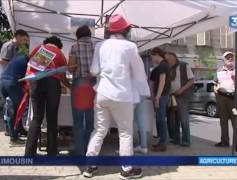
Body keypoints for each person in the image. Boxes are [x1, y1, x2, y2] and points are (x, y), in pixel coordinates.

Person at [83, 14, 150, 179]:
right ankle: (127, 170)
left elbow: (93, 71)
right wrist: (145, 92)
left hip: (102, 94)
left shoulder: (100, 45)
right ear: (126, 30)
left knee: (98, 131)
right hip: (122, 95)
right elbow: (140, 73)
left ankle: (89, 167)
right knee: (125, 133)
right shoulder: (130, 47)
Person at [24, 36, 69, 156]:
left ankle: (29, 153)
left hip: (36, 82)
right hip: (52, 85)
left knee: (37, 118)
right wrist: (69, 86)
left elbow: (31, 68)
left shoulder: (38, 49)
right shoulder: (59, 53)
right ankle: (52, 152)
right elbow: (63, 76)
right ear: (58, 45)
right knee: (52, 119)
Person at [214, 51, 237, 152]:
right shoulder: (218, 71)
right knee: (223, 121)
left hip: (233, 99)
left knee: (235, 122)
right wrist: (215, 88)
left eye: (231, 57)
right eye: (227, 57)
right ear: (223, 60)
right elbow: (215, 83)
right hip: (222, 97)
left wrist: (236, 80)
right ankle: (224, 141)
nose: (230, 59)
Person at [68, 25, 96, 156]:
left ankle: (79, 151)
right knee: (90, 119)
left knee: (78, 120)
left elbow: (71, 68)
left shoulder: (74, 47)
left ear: (77, 35)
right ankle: (89, 149)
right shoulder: (96, 47)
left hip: (79, 83)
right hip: (93, 84)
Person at [0, 29, 29, 135]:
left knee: (12, 105)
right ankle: (11, 130)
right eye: (24, 39)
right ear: (18, 36)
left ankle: (16, 128)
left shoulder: (17, 48)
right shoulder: (9, 46)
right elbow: (2, 61)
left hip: (10, 78)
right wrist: (13, 69)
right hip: (9, 78)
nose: (25, 42)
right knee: (12, 106)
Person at [165, 52, 194, 147]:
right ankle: (176, 139)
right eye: (167, 61)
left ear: (175, 59)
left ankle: (186, 140)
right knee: (174, 119)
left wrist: (181, 89)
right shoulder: (168, 68)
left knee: (183, 118)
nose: (169, 62)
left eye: (170, 60)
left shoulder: (184, 66)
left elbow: (191, 80)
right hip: (172, 96)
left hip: (183, 96)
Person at [0, 55, 29, 145]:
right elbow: (29, 76)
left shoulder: (17, 58)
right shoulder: (29, 62)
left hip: (3, 82)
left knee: (8, 108)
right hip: (12, 83)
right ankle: (14, 138)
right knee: (16, 111)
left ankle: (14, 130)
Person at [150, 47, 170, 152]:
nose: (152, 59)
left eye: (152, 56)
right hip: (162, 96)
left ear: (157, 54)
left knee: (161, 120)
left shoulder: (163, 66)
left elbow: (162, 82)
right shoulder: (161, 66)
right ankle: (161, 142)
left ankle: (163, 143)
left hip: (162, 96)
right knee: (159, 119)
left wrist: (157, 97)